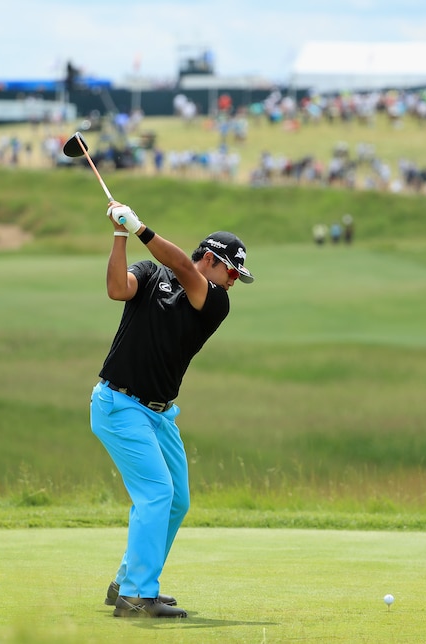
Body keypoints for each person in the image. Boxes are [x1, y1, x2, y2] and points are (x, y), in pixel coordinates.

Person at [90, 200, 254, 618]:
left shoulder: (215, 301)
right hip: (119, 403)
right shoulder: (149, 274)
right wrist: (121, 235)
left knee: (176, 499)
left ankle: (127, 580)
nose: (234, 281)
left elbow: (183, 266)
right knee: (157, 493)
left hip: (160, 414)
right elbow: (116, 289)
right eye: (232, 271)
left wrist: (141, 227)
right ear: (213, 260)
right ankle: (135, 596)